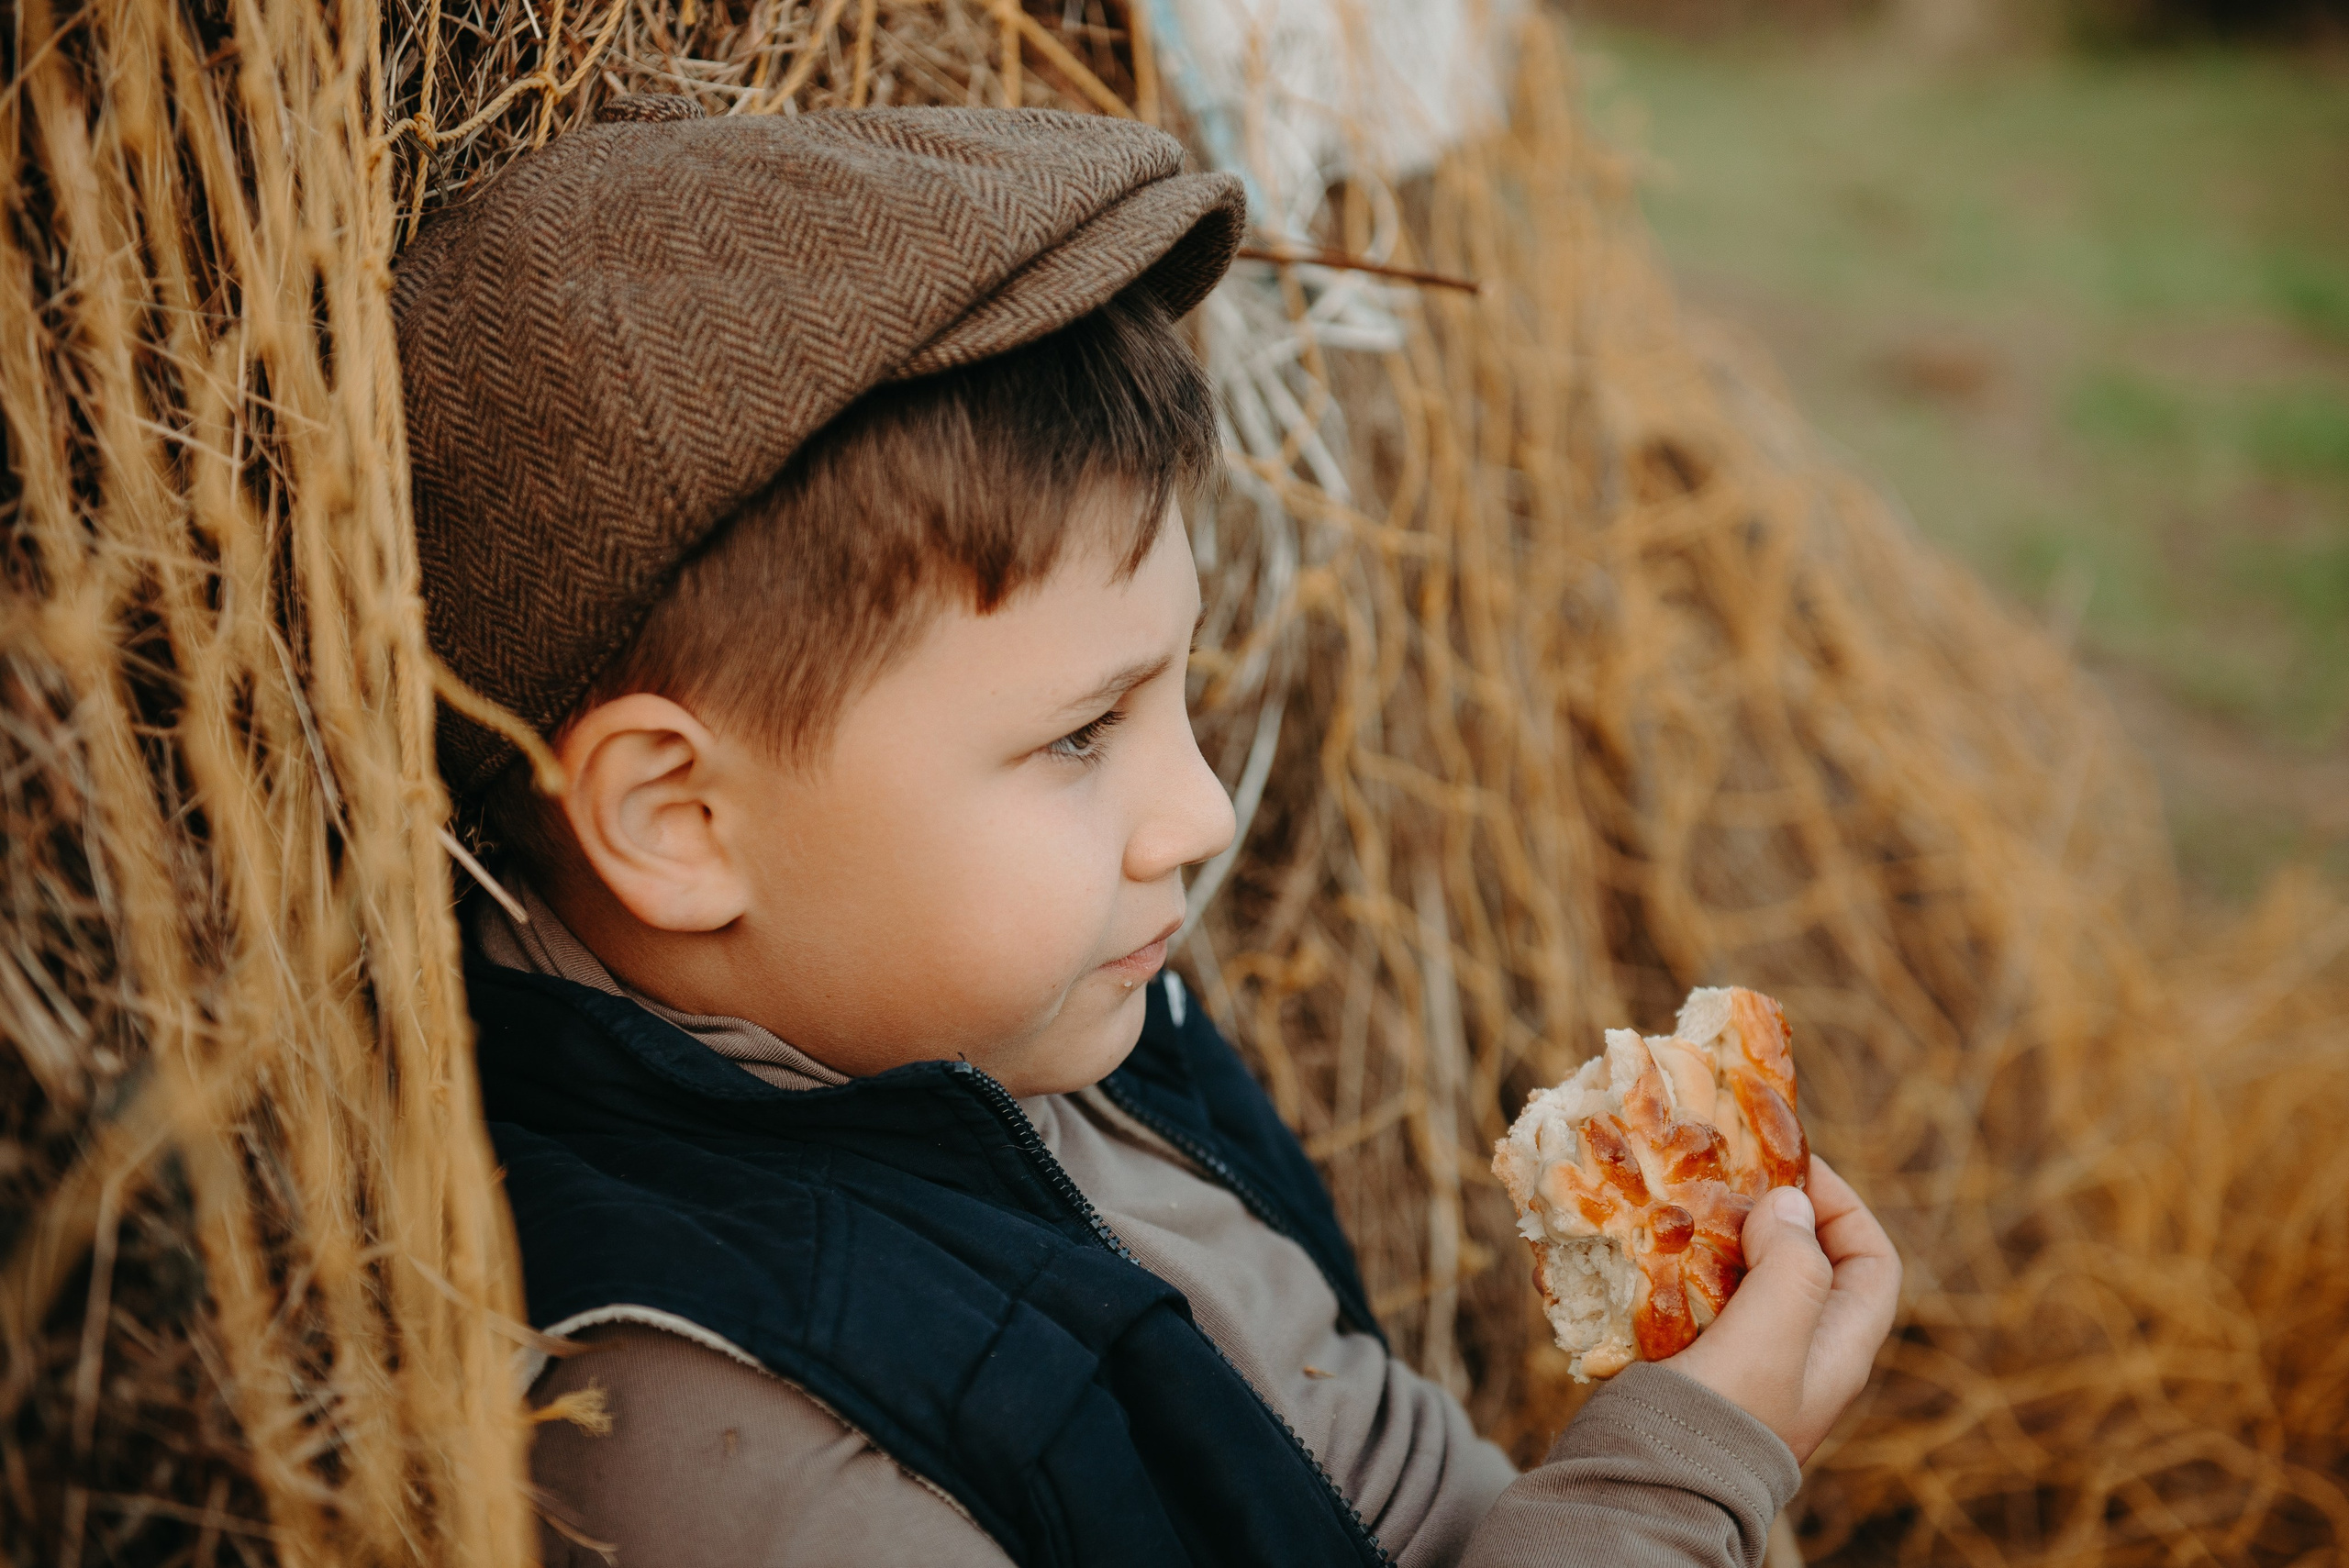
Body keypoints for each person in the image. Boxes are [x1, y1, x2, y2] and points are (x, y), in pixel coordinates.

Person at [393, 95, 1902, 1568]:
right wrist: (1678, 1485)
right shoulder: (735, 1450)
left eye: (1179, 690)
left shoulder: (1030, 1014)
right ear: (679, 820)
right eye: (1078, 734)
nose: (1200, 810)